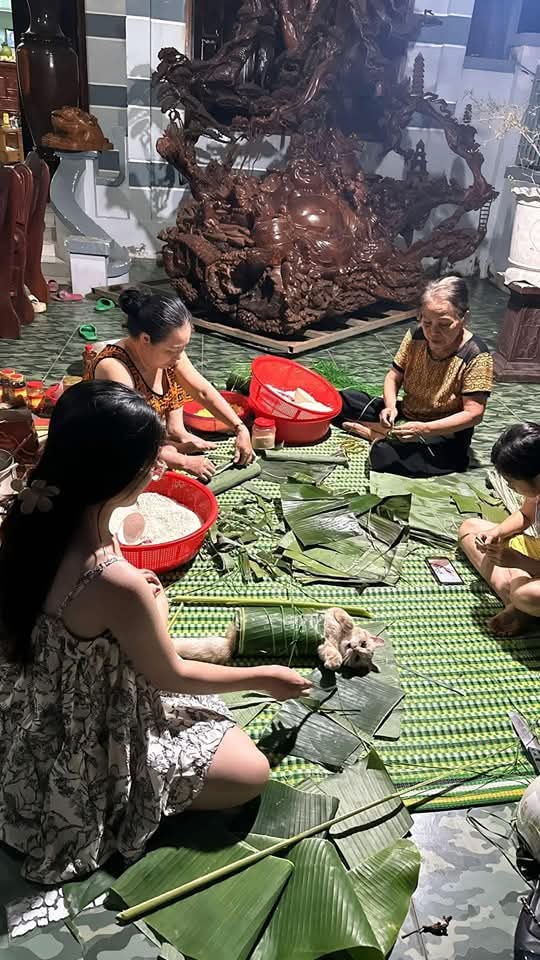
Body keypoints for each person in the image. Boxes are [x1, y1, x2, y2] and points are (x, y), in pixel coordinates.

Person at [0, 380, 311, 883]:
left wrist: (135, 598)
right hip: (89, 727)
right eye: (150, 461)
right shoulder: (113, 581)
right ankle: (123, 800)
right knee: (252, 772)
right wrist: (263, 676)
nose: (159, 468)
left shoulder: (32, 511)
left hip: (30, 704)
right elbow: (172, 674)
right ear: (115, 474)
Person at [85, 286, 254, 482]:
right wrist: (181, 461)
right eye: (172, 350)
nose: (179, 357)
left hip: (148, 438)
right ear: (145, 339)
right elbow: (126, 438)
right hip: (110, 448)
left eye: (183, 349)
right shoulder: (114, 368)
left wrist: (239, 428)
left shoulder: (170, 355)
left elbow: (203, 391)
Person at [336, 276, 493, 477]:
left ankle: (373, 435)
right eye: (427, 322)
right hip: (408, 412)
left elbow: (474, 413)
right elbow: (393, 376)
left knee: (386, 455)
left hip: (443, 433)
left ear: (464, 319)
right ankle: (384, 433)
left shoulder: (476, 355)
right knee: (342, 401)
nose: (433, 332)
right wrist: (390, 407)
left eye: (444, 324)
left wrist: (424, 429)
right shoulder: (417, 335)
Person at [459, 422, 540, 637]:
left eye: (512, 481)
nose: (510, 487)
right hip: (535, 554)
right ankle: (520, 607)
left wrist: (519, 562)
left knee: (528, 595)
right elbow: (525, 515)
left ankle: (520, 604)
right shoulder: (537, 490)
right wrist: (497, 532)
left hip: (532, 567)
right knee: (470, 528)